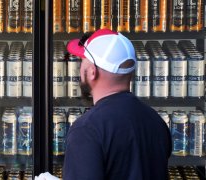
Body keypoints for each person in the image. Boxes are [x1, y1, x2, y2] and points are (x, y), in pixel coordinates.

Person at [63, 29, 172, 180]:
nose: (80, 68)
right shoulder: (156, 121)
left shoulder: (86, 130)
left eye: (83, 61)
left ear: (92, 72)